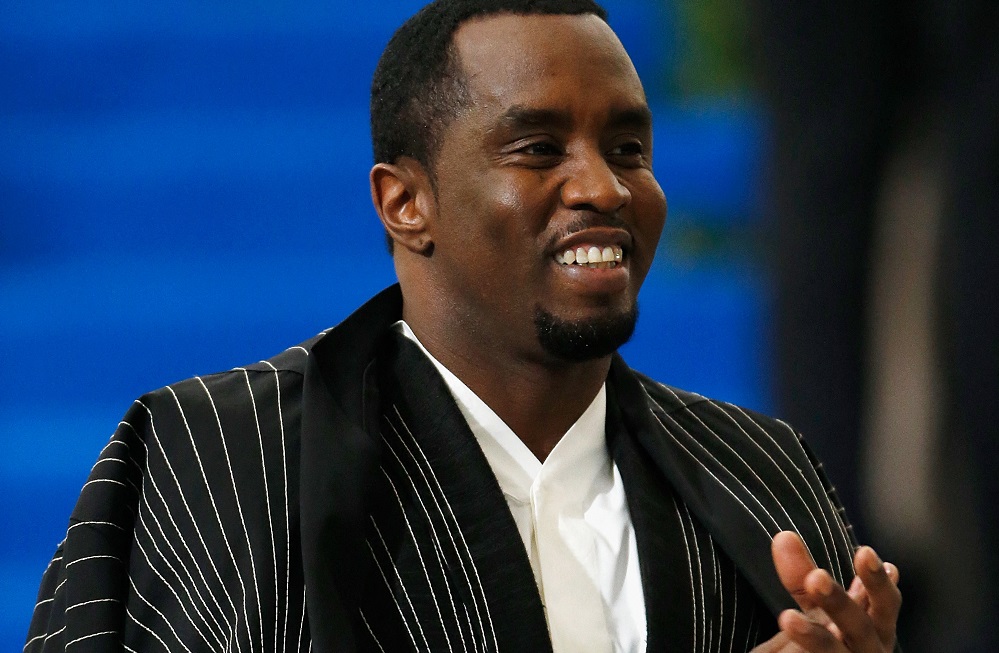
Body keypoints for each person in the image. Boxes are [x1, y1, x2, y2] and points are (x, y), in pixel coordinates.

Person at [24, 1, 901, 651]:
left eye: (629, 149)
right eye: (539, 148)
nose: (604, 187)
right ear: (405, 203)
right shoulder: (217, 463)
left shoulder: (760, 477)